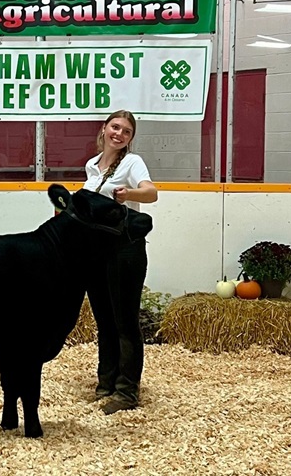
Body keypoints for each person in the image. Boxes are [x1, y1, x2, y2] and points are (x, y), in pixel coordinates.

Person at [82, 110, 158, 415]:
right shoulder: (91, 165)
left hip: (125, 249)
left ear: (130, 137)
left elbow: (151, 193)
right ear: (104, 129)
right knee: (104, 320)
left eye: (126, 131)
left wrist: (130, 193)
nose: (119, 134)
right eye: (115, 127)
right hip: (97, 250)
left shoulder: (132, 162)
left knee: (125, 322)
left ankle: (127, 390)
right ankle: (107, 382)